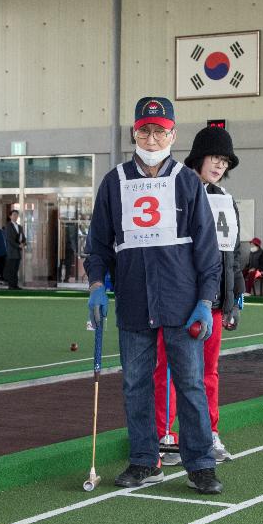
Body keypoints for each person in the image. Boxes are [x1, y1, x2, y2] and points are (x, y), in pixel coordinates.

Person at [85, 96, 223, 494]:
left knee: (190, 383)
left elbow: (207, 251)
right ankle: (145, 460)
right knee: (135, 385)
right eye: (144, 129)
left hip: (182, 301)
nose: (151, 137)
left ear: (172, 134)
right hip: (132, 300)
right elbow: (98, 247)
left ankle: (200, 464)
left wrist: (205, 300)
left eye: (159, 130)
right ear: (134, 132)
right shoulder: (114, 182)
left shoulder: (188, 182)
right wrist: (97, 286)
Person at [155, 124, 243, 466]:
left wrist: (236, 296)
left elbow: (233, 254)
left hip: (216, 303)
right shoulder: (176, 190)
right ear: (198, 157)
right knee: (170, 368)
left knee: (208, 370)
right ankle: (164, 434)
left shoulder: (226, 200)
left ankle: (208, 434)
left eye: (225, 161)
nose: (220, 166)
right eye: (214, 158)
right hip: (180, 300)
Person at [3, 209, 26, 289]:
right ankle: (11, 285)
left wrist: (23, 243)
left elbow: (23, 237)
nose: (15, 216)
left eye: (16, 215)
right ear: (10, 216)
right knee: (11, 269)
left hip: (18, 252)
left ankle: (15, 285)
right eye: (14, 215)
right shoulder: (8, 226)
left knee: (16, 269)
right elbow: (9, 239)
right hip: (11, 251)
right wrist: (18, 245)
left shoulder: (19, 227)